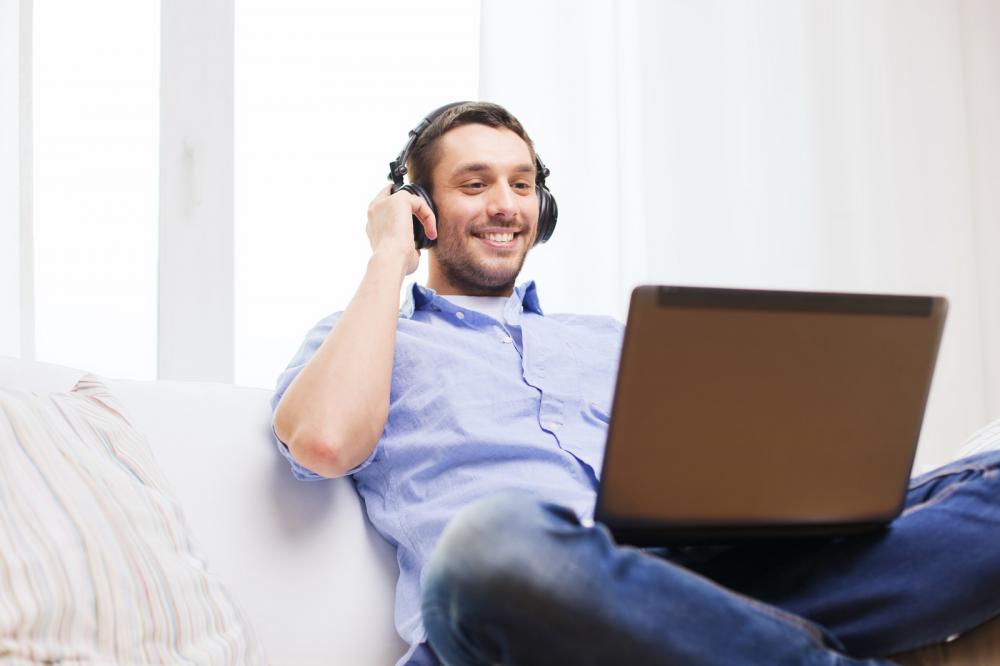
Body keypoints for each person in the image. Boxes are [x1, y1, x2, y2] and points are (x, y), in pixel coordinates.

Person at [270, 101, 1000, 666]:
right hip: (519, 614)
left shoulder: (610, 340)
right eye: (474, 184)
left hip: (692, 592)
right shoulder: (369, 336)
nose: (505, 205)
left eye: (522, 185)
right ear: (420, 206)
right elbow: (326, 441)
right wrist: (388, 254)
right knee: (493, 539)